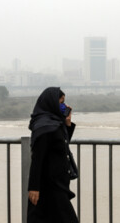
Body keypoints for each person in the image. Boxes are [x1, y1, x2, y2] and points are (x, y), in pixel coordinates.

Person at [27, 87, 79, 223]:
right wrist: (34, 187)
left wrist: (67, 124)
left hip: (59, 183)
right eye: (61, 102)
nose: (64, 106)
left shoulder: (55, 123)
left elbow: (61, 146)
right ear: (51, 103)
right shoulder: (44, 127)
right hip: (49, 186)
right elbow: (37, 158)